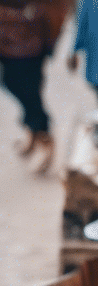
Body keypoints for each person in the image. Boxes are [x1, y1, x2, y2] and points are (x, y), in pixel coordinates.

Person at [0, 0, 63, 173]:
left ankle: (44, 136)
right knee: (11, 84)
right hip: (7, 45)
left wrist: (50, 44)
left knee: (29, 92)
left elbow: (53, 11)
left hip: (30, 46)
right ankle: (33, 131)